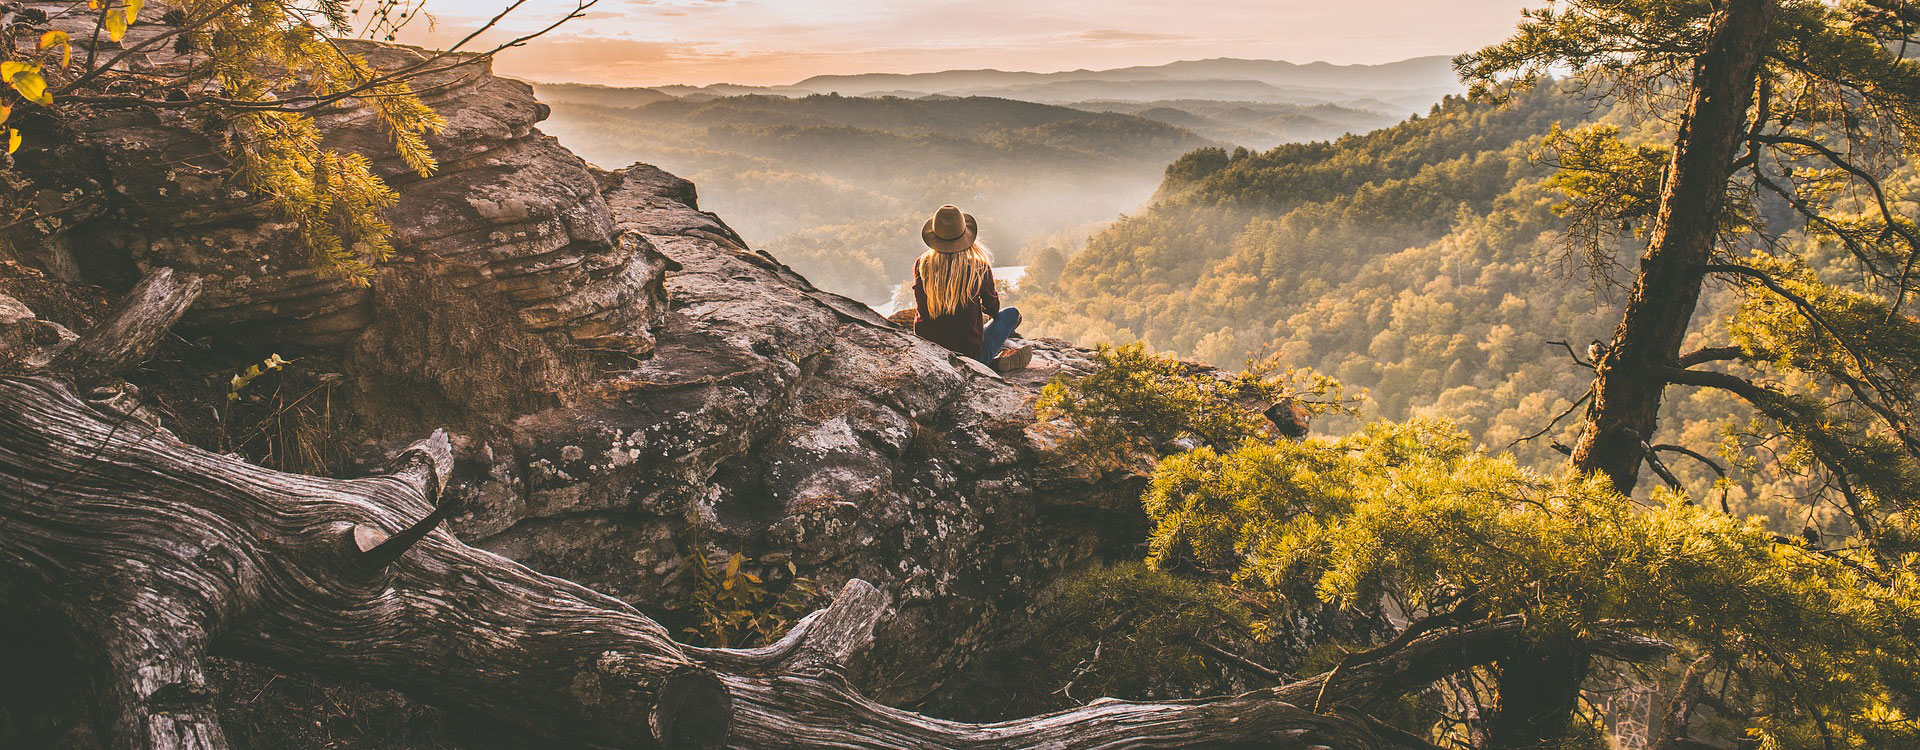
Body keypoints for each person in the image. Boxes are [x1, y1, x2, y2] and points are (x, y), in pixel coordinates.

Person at [911, 204, 1031, 372]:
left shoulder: (922, 265)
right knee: (1011, 314)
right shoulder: (978, 266)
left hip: (929, 353)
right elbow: (993, 309)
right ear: (965, 235)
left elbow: (920, 303)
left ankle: (991, 361)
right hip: (970, 356)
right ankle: (991, 363)